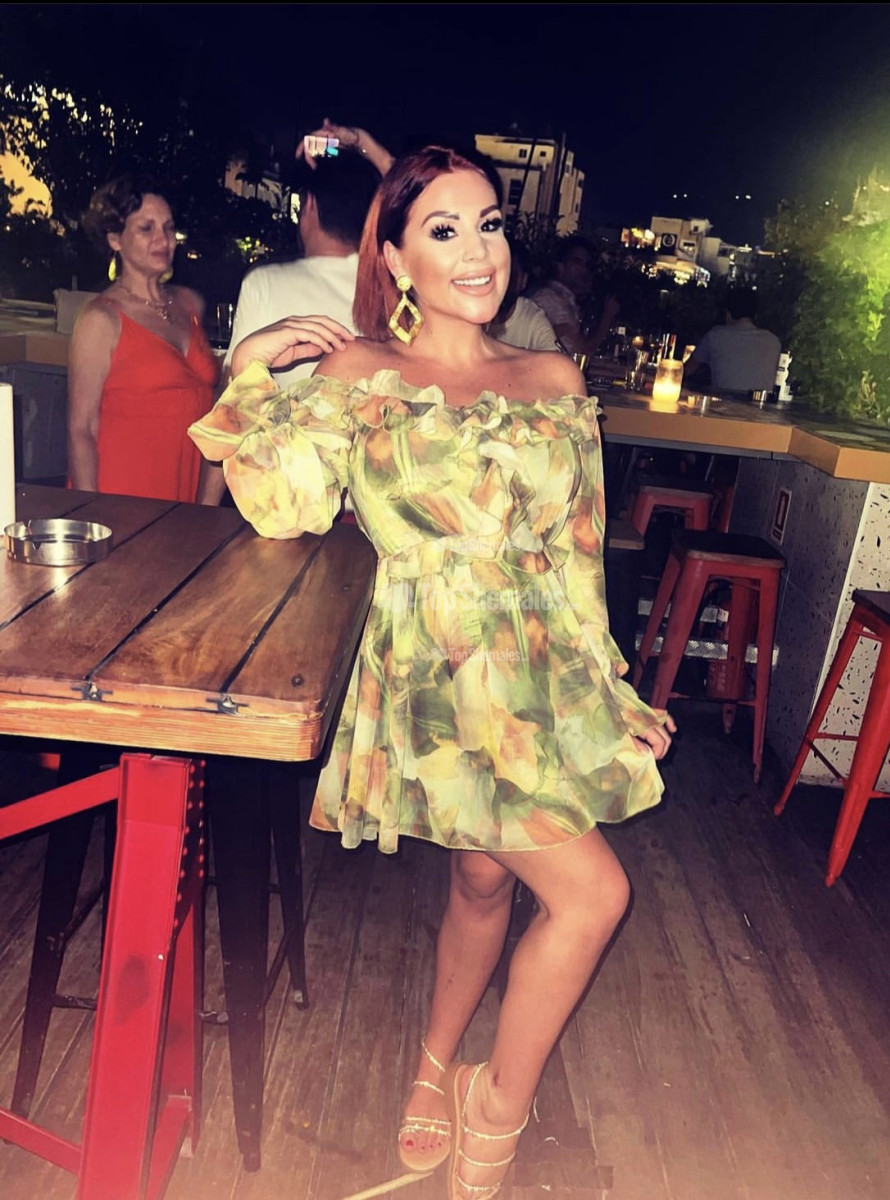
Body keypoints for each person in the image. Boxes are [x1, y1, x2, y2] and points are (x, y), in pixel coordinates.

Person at [188, 145, 675, 1200]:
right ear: (394, 258)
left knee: (485, 876)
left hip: (537, 668)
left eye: (488, 224)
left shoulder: (551, 379)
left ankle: (442, 1070)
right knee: (592, 895)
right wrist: (248, 368)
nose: (475, 249)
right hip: (434, 672)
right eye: (442, 230)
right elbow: (280, 505)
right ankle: (490, 1109)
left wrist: (609, 688)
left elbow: (576, 555)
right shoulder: (360, 375)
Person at [69, 173, 222, 503]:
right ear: (115, 239)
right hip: (120, 499)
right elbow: (82, 430)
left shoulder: (190, 304)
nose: (163, 239)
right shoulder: (100, 320)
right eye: (146, 228)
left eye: (169, 227)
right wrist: (90, 512)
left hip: (183, 498)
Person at [223, 120, 388, 388]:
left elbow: (231, 401)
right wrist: (364, 144)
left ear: (309, 204)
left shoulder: (265, 283)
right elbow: (422, 198)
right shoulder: (395, 285)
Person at [529, 234, 619, 356]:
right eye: (576, 262)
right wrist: (607, 317)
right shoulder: (547, 298)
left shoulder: (567, 299)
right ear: (560, 266)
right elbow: (582, 350)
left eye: (586, 265)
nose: (583, 270)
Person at [684, 288, 782, 398]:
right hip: (761, 405)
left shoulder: (716, 336)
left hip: (723, 404)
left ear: (728, 313)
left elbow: (686, 370)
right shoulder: (773, 341)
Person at [487, 239, 559, 352]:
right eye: (497, 274)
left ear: (523, 281)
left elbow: (555, 359)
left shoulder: (532, 318)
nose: (504, 283)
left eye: (511, 276)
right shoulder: (470, 313)